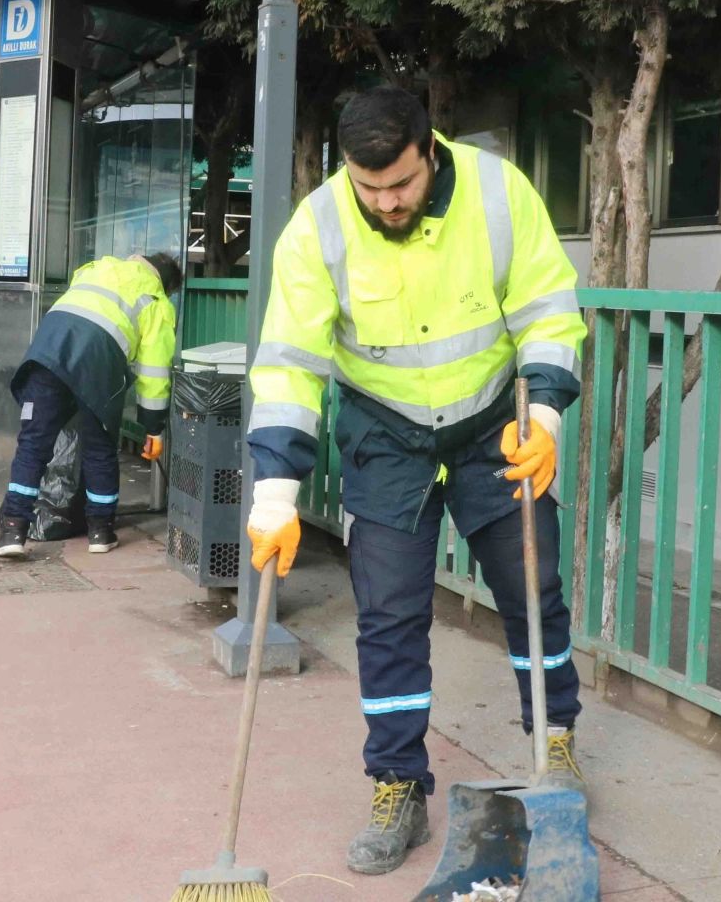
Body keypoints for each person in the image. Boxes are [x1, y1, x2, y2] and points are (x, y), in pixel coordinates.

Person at [244, 87, 588, 875]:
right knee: (389, 616)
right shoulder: (317, 229)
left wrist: (547, 423)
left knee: (532, 588)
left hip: (497, 424)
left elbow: (548, 309)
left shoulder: (501, 193)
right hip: (385, 437)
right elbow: (291, 365)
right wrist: (275, 497)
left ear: (431, 152)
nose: (386, 202)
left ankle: (556, 745)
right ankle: (398, 783)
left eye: (400, 184)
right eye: (369, 189)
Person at [0, 251, 182, 557]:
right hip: (99, 361)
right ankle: (101, 532)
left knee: (33, 444)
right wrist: (154, 428)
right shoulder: (156, 302)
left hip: (48, 352)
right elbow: (154, 372)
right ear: (167, 284)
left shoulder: (96, 268)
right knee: (99, 448)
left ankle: (13, 531)